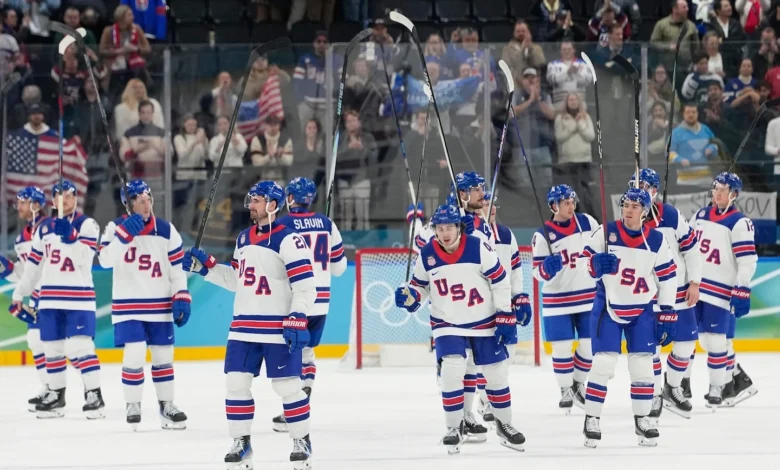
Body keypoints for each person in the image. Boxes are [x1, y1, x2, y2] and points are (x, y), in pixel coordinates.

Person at [182, 181, 316, 470]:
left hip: (277, 327)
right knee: (235, 385)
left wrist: (298, 315)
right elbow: (236, 280)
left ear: (273, 204)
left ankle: (301, 441)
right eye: (251, 198)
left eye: (257, 200)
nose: (251, 204)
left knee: (288, 387)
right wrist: (206, 268)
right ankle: (241, 443)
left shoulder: (289, 239)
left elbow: (306, 286)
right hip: (243, 327)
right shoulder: (243, 238)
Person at [394, 204, 525, 454]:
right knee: (452, 370)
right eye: (440, 228)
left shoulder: (479, 247)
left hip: (484, 320)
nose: (445, 233)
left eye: (449, 227)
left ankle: (505, 424)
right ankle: (454, 427)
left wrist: (504, 313)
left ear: (459, 228)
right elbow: (420, 287)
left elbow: (499, 280)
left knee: (496, 374)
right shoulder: (427, 253)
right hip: (447, 322)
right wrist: (410, 296)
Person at [579, 187, 678, 448]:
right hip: (608, 306)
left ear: (645, 211)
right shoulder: (606, 232)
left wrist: (667, 311)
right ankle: (592, 419)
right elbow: (581, 262)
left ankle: (643, 419)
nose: (628, 210)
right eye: (626, 205)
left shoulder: (656, 240)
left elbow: (668, 277)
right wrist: (594, 264)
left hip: (642, 309)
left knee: (643, 365)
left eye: (635, 206)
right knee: (603, 363)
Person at [98, 180, 190, 430]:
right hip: (128, 305)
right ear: (127, 204)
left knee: (163, 356)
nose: (146, 204)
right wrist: (123, 237)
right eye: (139, 200)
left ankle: (166, 405)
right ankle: (133, 404)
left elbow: (177, 269)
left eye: (148, 199)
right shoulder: (114, 228)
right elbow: (104, 260)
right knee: (135, 352)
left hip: (159, 305)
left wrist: (181, 294)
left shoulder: (166, 230)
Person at [11, 181, 105, 419]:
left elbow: (85, 259)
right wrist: (19, 293)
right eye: (60, 196)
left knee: (81, 346)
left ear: (76, 198)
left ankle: (94, 395)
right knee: (51, 347)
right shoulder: (44, 229)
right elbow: (33, 267)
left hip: (79, 297)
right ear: (53, 201)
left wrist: (71, 237)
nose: (65, 199)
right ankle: (56, 396)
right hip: (49, 299)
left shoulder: (87, 224)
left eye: (70, 195)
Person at [270, 177, 347, 432]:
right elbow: (339, 268)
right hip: (321, 302)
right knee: (308, 353)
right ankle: (302, 401)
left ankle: (293, 411)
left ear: (290, 198)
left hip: (295, 301)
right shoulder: (327, 223)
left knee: (291, 354)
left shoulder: (282, 224)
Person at [629, 169, 701, 421]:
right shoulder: (629, 217)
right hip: (647, 295)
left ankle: (672, 387)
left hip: (679, 290)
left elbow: (692, 249)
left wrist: (695, 282)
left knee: (686, 344)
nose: (640, 191)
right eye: (636, 186)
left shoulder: (670, 215)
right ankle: (656, 393)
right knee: (651, 348)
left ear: (654, 191)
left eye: (645, 187)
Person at [689, 172, 758, 408]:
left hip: (721, 291)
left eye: (723, 190)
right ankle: (736, 380)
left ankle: (719, 387)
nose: (717, 193)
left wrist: (742, 288)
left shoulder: (739, 222)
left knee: (717, 341)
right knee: (705, 342)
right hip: (698, 287)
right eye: (715, 188)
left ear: (734, 194)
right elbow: (687, 246)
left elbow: (747, 260)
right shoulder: (699, 215)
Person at [531, 184, 598, 413]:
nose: (571, 206)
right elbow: (536, 273)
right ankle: (566, 389)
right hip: (557, 300)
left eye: (572, 202)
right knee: (562, 348)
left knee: (589, 345)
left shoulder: (588, 222)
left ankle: (578, 383)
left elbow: (601, 248)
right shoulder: (542, 235)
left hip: (588, 296)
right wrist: (546, 270)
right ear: (554, 206)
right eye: (565, 203)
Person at [478, 194, 532, 421]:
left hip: (504, 305)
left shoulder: (506, 235)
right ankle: (485, 400)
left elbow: (516, 268)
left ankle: (489, 397)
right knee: (481, 358)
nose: (491, 209)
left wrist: (519, 295)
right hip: (479, 306)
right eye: (485, 204)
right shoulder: (469, 234)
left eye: (493, 205)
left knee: (507, 354)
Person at [0, 187, 51, 411]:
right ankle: (49, 388)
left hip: (59, 293)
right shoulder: (22, 239)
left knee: (74, 346)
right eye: (18, 202)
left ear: (36, 204)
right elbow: (25, 273)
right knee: (35, 339)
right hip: (38, 296)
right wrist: (7, 269)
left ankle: (91, 390)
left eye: (22, 202)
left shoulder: (51, 229)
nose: (18, 207)